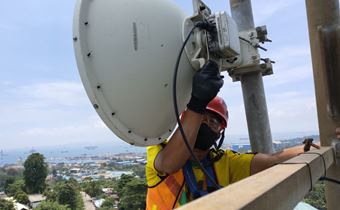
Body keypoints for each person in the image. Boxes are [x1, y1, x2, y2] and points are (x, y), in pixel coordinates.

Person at [145, 60, 307, 210]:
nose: (206, 123)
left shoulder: (225, 162)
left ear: (220, 132)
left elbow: (275, 160)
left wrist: (322, 146)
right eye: (202, 117)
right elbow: (169, 164)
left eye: (214, 122)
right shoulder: (159, 150)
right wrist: (197, 103)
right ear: (188, 120)